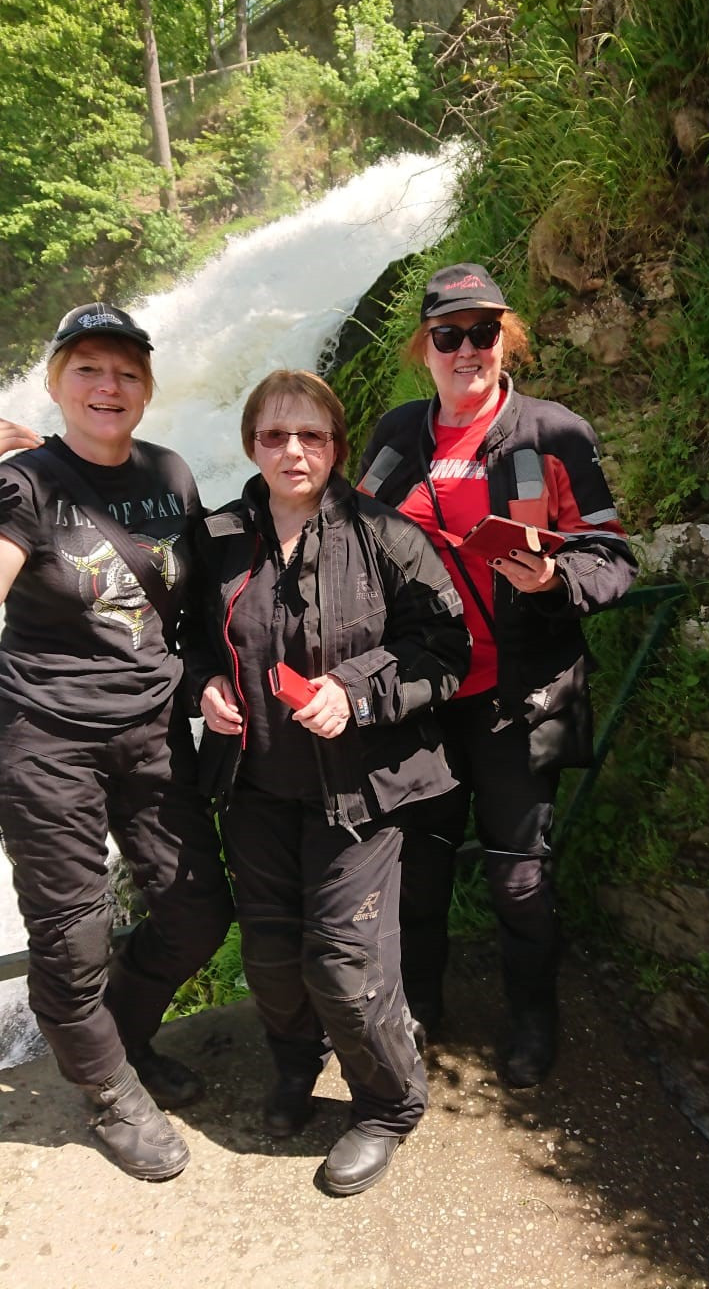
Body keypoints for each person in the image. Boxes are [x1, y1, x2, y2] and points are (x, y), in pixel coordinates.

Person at [185, 369, 470, 1196]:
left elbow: (444, 651)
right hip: (255, 788)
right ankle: (294, 1065)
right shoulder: (217, 536)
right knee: (272, 957)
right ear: (251, 445)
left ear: (338, 444)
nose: (293, 450)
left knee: (344, 964)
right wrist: (205, 684)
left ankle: (387, 1105)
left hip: (360, 791)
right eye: (273, 435)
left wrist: (356, 694)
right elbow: (189, 638)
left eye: (311, 434)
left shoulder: (387, 535)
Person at [357, 262, 638, 1087]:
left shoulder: (555, 435)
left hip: (519, 698)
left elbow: (612, 555)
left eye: (483, 332)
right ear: (425, 348)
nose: (466, 349)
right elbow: (351, 536)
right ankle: (421, 1011)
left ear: (505, 338)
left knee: (519, 877)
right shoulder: (397, 435)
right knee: (420, 871)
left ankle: (532, 1020)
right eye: (448, 335)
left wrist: (556, 579)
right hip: (423, 697)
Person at [0, 303, 233, 1181]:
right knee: (73, 935)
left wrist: (211, 679)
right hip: (45, 738)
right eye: (88, 368)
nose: (109, 385)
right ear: (56, 382)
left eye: (127, 371)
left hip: (153, 726)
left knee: (197, 909)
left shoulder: (170, 474)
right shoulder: (23, 484)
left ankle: (124, 1041)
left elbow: (204, 599)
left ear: (147, 387)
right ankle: (105, 1091)